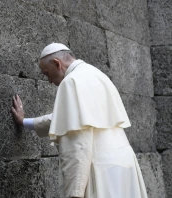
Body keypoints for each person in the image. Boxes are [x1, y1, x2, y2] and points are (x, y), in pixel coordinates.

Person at [11, 43, 148, 198]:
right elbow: (68, 119)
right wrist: (24, 122)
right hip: (124, 163)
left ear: (57, 63)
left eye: (47, 73)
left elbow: (78, 143)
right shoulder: (96, 74)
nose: (49, 80)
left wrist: (74, 192)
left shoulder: (70, 82)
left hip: (99, 169)